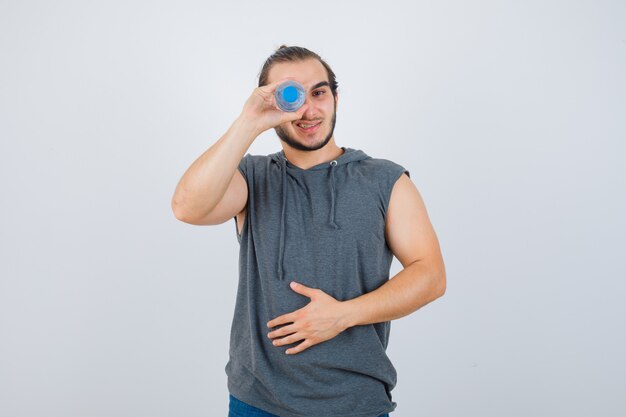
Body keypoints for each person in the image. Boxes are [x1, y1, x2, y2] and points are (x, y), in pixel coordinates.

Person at [171, 45, 446, 417]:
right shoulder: (251, 177)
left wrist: (343, 315)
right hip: (257, 402)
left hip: (356, 403)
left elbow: (430, 275)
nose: (308, 111)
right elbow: (187, 208)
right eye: (291, 97)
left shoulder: (385, 179)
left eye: (319, 92)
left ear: (335, 97)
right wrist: (247, 123)